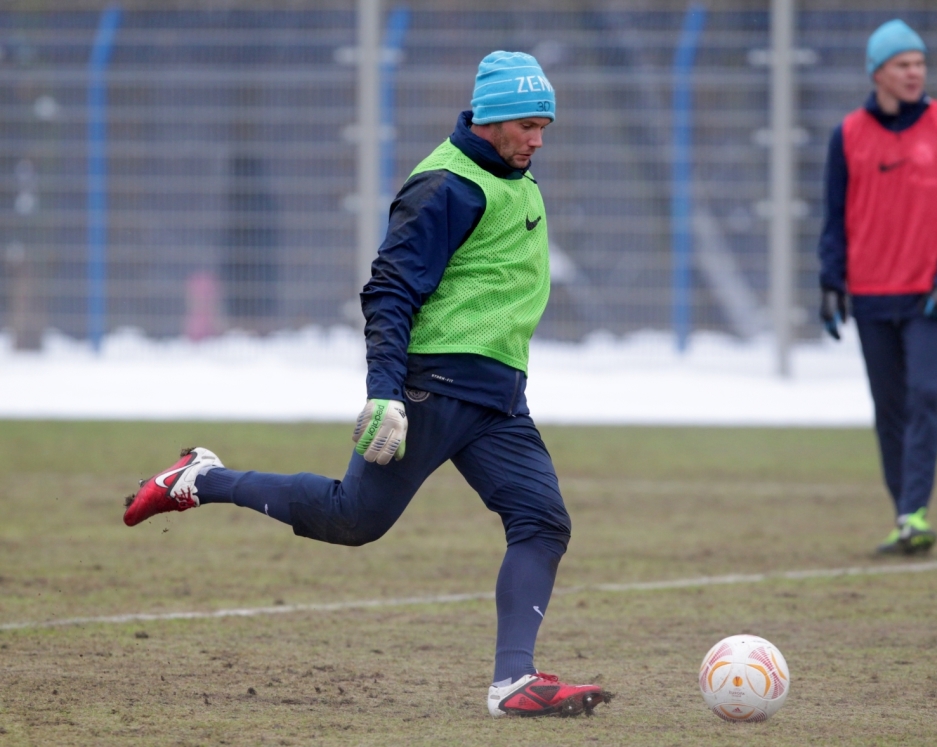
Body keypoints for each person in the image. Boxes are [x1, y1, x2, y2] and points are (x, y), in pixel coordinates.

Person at [122, 51, 611, 718]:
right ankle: (202, 479)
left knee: (542, 520)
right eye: (527, 124)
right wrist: (383, 391)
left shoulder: (513, 175)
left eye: (544, 125)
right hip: (432, 387)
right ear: (492, 120)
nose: (538, 139)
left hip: (498, 400)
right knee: (352, 520)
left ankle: (511, 682)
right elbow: (388, 291)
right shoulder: (445, 186)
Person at [817, 20, 937, 555]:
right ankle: (904, 515)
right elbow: (834, 215)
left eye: (920, 63)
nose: (915, 73)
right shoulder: (848, 135)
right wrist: (830, 281)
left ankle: (914, 511)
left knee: (923, 394)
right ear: (878, 73)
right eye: (903, 65)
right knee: (888, 406)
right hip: (870, 295)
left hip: (931, 295)